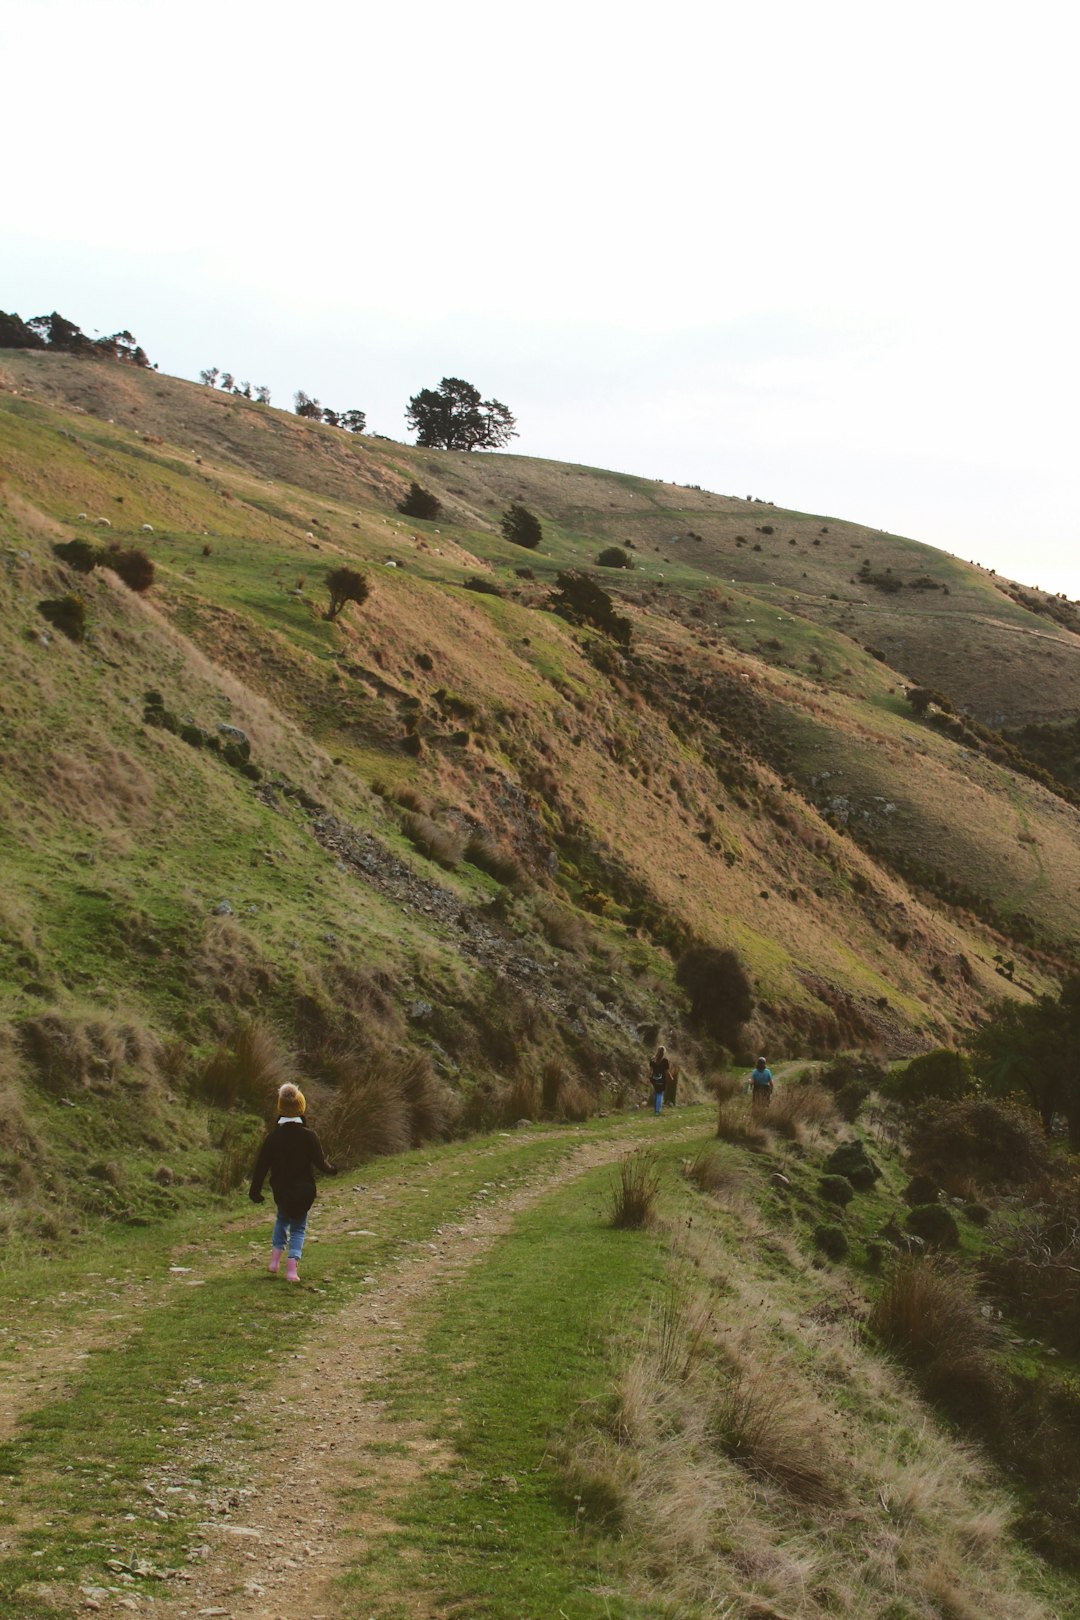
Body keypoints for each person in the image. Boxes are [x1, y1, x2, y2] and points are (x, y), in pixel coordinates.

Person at [249, 1082, 334, 1282]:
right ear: (301, 1107)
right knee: (298, 1228)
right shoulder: (309, 1136)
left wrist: (255, 1191)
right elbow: (320, 1163)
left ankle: (274, 1261)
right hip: (303, 1192)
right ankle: (291, 1269)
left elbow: (261, 1166)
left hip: (282, 1191)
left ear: (280, 1108)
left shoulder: (273, 1137)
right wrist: (333, 1170)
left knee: (282, 1219)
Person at [649, 1046, 671, 1115]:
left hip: (654, 1079)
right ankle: (657, 1111)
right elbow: (667, 1071)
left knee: (656, 1092)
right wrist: (671, 1077)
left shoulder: (653, 1060)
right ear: (664, 1052)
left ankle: (655, 1109)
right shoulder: (665, 1061)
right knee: (660, 1094)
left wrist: (649, 1077)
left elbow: (650, 1071)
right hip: (662, 1080)